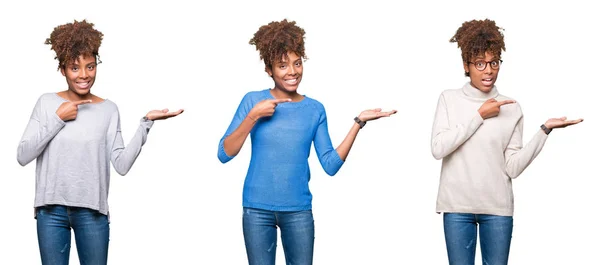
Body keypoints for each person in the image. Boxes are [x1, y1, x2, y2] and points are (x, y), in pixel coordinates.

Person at [217, 19, 396, 265]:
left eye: (297, 63)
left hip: (298, 211)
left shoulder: (315, 109)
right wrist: (253, 116)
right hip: (256, 209)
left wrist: (358, 123)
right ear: (269, 70)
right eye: (282, 65)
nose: (292, 71)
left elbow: (330, 165)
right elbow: (224, 153)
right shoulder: (253, 101)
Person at [16, 20, 183, 265]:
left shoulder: (108, 110)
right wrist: (57, 118)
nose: (84, 75)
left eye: (90, 66)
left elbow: (121, 165)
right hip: (51, 212)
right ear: (62, 69)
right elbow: (22, 155)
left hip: (92, 212)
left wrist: (146, 122)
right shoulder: (47, 103)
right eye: (75, 68)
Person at [430, 18, 583, 265]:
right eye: (480, 63)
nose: (488, 70)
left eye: (493, 62)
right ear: (466, 65)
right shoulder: (449, 99)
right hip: (457, 207)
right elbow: (438, 149)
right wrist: (479, 115)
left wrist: (544, 131)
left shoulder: (511, 108)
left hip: (497, 209)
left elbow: (512, 167)